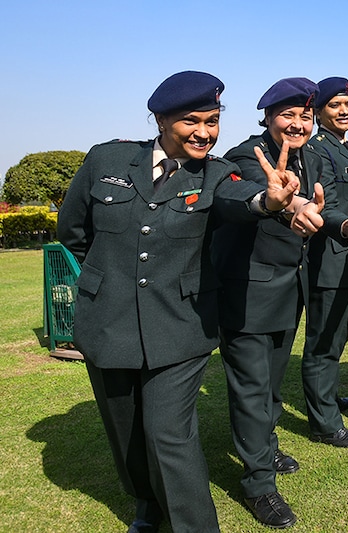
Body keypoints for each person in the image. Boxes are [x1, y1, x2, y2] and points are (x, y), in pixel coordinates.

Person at [57, 71, 285, 532]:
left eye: (213, 120)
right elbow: (73, 231)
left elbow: (240, 200)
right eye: (192, 121)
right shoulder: (108, 159)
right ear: (160, 120)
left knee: (168, 434)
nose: (205, 132)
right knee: (127, 433)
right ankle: (148, 504)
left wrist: (269, 200)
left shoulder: (218, 174)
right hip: (109, 321)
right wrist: (108, 278)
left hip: (180, 326)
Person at [211, 77, 329, 528]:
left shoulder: (308, 159)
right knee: (252, 389)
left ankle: (266, 444)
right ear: (267, 117)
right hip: (247, 293)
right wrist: (284, 202)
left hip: (288, 289)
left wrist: (324, 218)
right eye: (288, 115)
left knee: (272, 385)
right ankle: (259, 484)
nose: (297, 124)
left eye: (305, 116)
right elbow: (248, 193)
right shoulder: (247, 155)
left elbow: (314, 205)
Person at [303, 76, 348, 448]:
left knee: (339, 335)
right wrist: (343, 225)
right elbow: (321, 205)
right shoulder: (318, 149)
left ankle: (326, 396)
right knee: (323, 340)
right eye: (335, 105)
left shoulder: (345, 148)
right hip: (328, 259)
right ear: (318, 112)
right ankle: (325, 424)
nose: (344, 111)